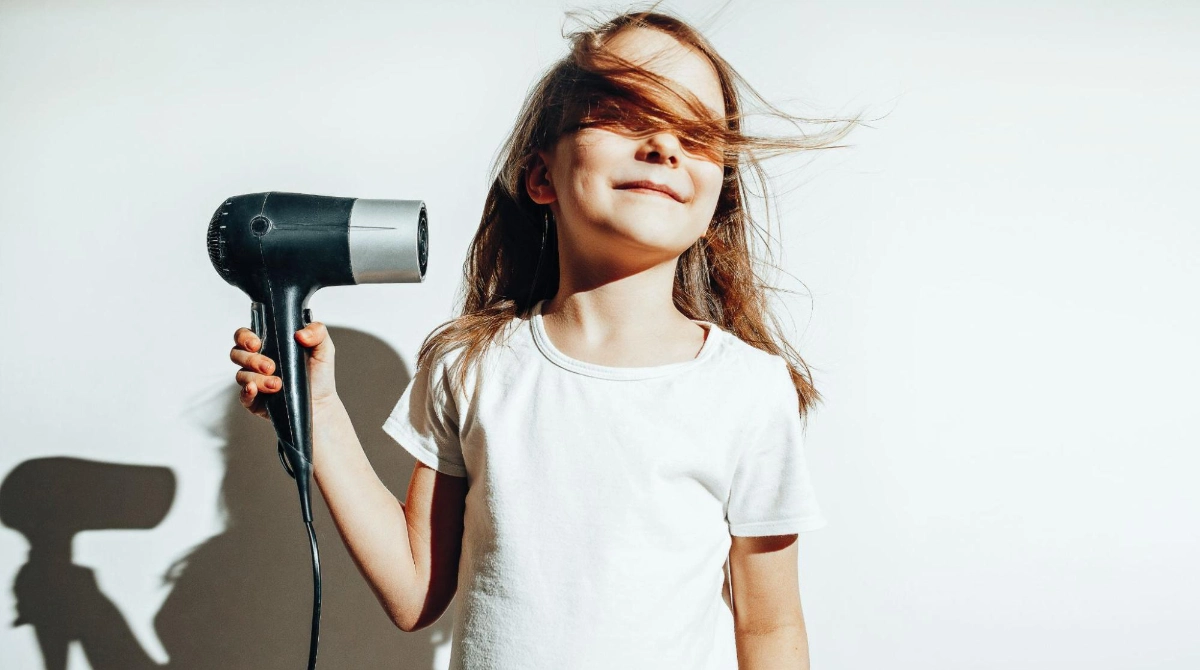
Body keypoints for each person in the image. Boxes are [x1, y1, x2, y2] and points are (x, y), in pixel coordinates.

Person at [229, 7, 855, 669]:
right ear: (541, 175)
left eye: (696, 133)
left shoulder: (748, 390)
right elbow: (414, 593)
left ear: (713, 203)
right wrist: (318, 410)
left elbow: (770, 630)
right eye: (622, 110)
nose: (665, 146)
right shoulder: (469, 365)